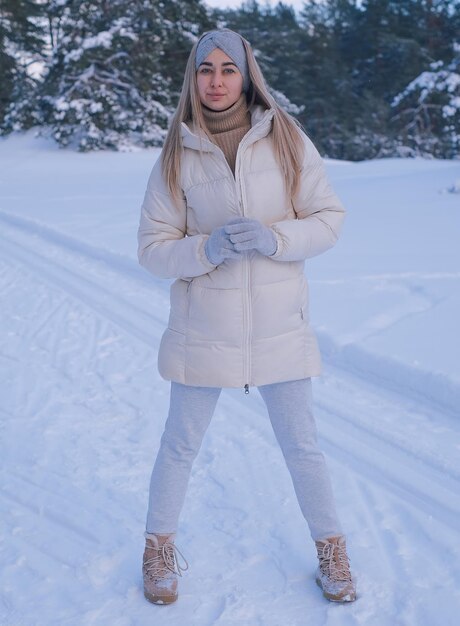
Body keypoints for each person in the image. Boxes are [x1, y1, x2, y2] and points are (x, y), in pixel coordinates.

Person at [137, 28, 356, 605]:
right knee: (179, 445)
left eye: (226, 69)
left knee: (303, 447)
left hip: (278, 325)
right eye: (204, 69)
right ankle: (158, 546)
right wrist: (203, 250)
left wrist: (275, 237)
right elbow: (153, 250)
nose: (215, 81)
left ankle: (331, 548)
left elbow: (329, 218)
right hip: (203, 329)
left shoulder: (287, 140)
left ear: (246, 73)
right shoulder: (175, 154)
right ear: (192, 77)